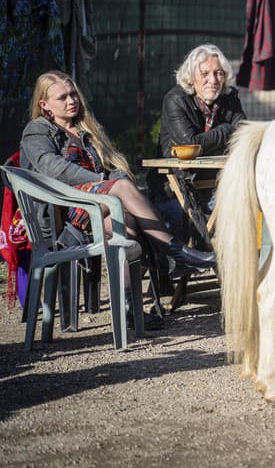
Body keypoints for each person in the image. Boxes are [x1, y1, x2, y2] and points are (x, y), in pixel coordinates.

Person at [20, 71, 217, 329]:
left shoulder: (84, 129)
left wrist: (111, 178)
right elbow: (52, 167)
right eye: (63, 97)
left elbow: (113, 165)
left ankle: (128, 309)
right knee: (122, 188)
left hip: (96, 207)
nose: (71, 101)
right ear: (44, 105)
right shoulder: (37, 130)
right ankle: (173, 251)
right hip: (64, 213)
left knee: (127, 222)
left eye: (73, 94)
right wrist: (104, 181)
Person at [149, 44, 246, 231]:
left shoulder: (229, 97)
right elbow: (190, 145)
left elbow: (243, 131)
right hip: (178, 187)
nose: (213, 80)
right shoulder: (176, 100)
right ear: (192, 76)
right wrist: (226, 130)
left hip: (216, 183)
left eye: (219, 73)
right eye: (205, 73)